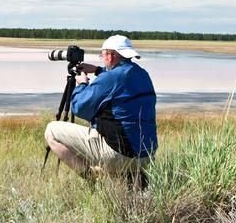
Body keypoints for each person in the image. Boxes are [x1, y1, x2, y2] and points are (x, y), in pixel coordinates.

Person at [44, 35, 157, 185]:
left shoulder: (110, 78)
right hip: (147, 155)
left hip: (121, 155)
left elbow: (79, 108)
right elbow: (119, 78)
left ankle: (92, 179)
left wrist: (82, 84)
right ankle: (130, 177)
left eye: (102, 55)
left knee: (51, 131)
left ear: (110, 56)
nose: (102, 58)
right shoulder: (142, 74)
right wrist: (98, 70)